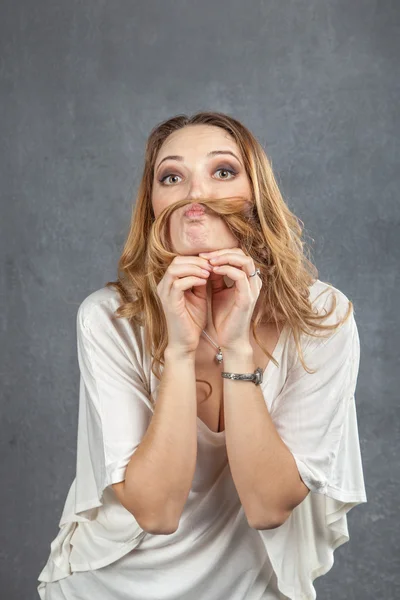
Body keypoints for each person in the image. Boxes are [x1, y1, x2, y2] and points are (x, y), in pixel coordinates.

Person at [37, 111, 367, 600]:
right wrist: (179, 349)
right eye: (172, 177)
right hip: (106, 587)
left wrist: (236, 348)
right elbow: (157, 510)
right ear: (154, 207)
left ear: (256, 196)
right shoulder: (108, 318)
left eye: (223, 172)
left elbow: (268, 506)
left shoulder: (322, 315)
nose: (196, 195)